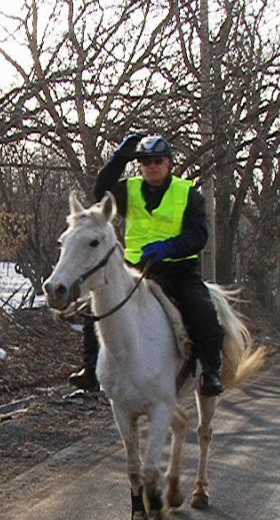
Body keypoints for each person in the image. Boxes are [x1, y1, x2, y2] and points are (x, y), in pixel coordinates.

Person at [67, 132, 225, 396]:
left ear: (169, 164)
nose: (152, 166)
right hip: (135, 268)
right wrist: (119, 158)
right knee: (100, 305)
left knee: (202, 311)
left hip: (178, 270)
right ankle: (91, 369)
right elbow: (100, 192)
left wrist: (169, 247)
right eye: (145, 161)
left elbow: (199, 235)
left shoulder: (188, 193)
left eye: (158, 160)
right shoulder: (129, 190)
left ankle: (211, 371)